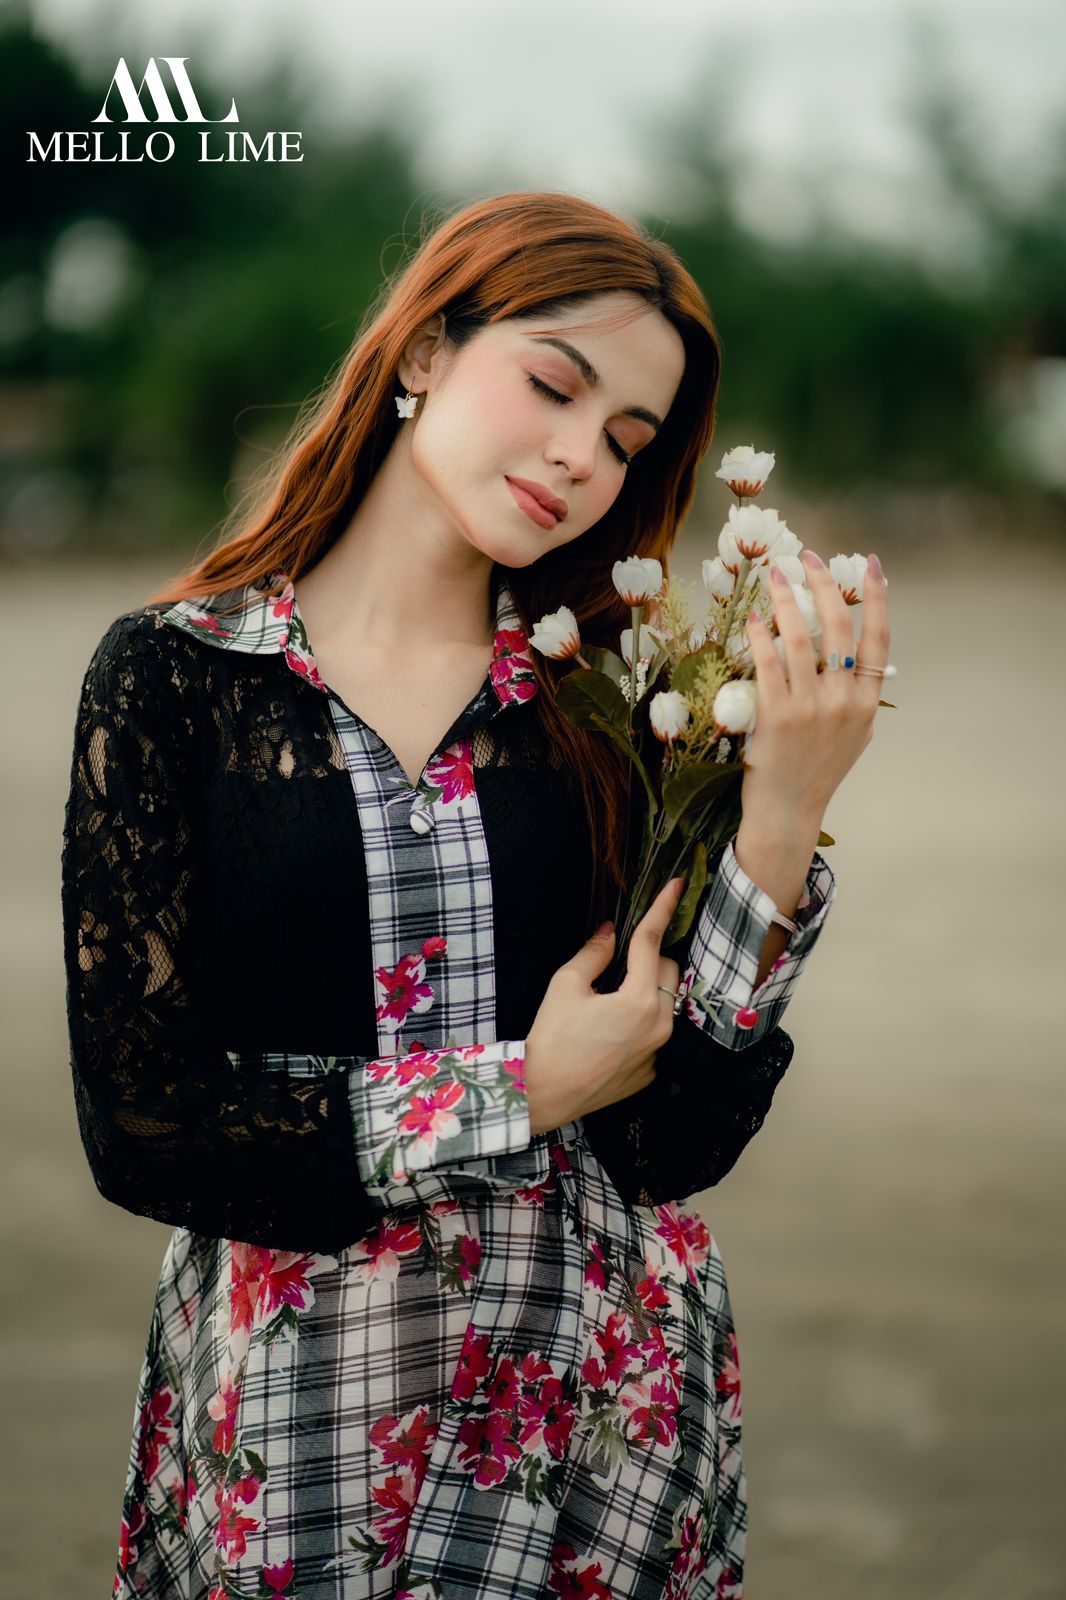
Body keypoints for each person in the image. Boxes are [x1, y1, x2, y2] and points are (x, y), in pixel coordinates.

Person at [61, 190, 889, 1599]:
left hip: (599, 1432)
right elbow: (145, 1125)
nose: (581, 458)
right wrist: (521, 1087)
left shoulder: (614, 699)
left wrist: (781, 815)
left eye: (627, 442)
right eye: (554, 384)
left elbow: (681, 1133)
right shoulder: (175, 678)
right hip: (298, 1437)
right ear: (428, 348)